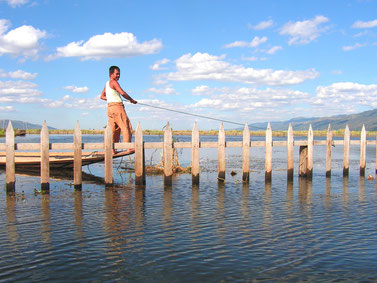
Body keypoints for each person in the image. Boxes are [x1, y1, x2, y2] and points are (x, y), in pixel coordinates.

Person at [100, 66, 137, 155]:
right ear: (111, 74)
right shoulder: (113, 82)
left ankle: (112, 149)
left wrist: (111, 98)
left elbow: (102, 96)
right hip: (117, 107)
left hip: (110, 108)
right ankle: (128, 147)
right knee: (126, 126)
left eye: (119, 74)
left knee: (114, 129)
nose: (118, 76)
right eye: (117, 74)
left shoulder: (107, 84)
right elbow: (122, 93)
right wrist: (131, 100)